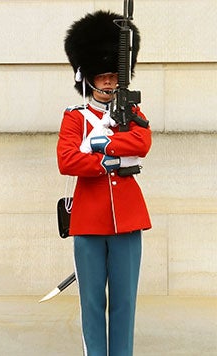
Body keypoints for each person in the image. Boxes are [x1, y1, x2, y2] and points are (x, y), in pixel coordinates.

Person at [57, 10, 152, 356]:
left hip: (127, 219)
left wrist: (105, 145)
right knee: (92, 303)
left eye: (115, 76)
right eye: (104, 76)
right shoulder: (75, 117)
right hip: (89, 220)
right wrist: (104, 162)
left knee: (124, 303)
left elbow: (142, 143)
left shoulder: (131, 113)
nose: (110, 83)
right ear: (88, 78)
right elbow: (67, 161)